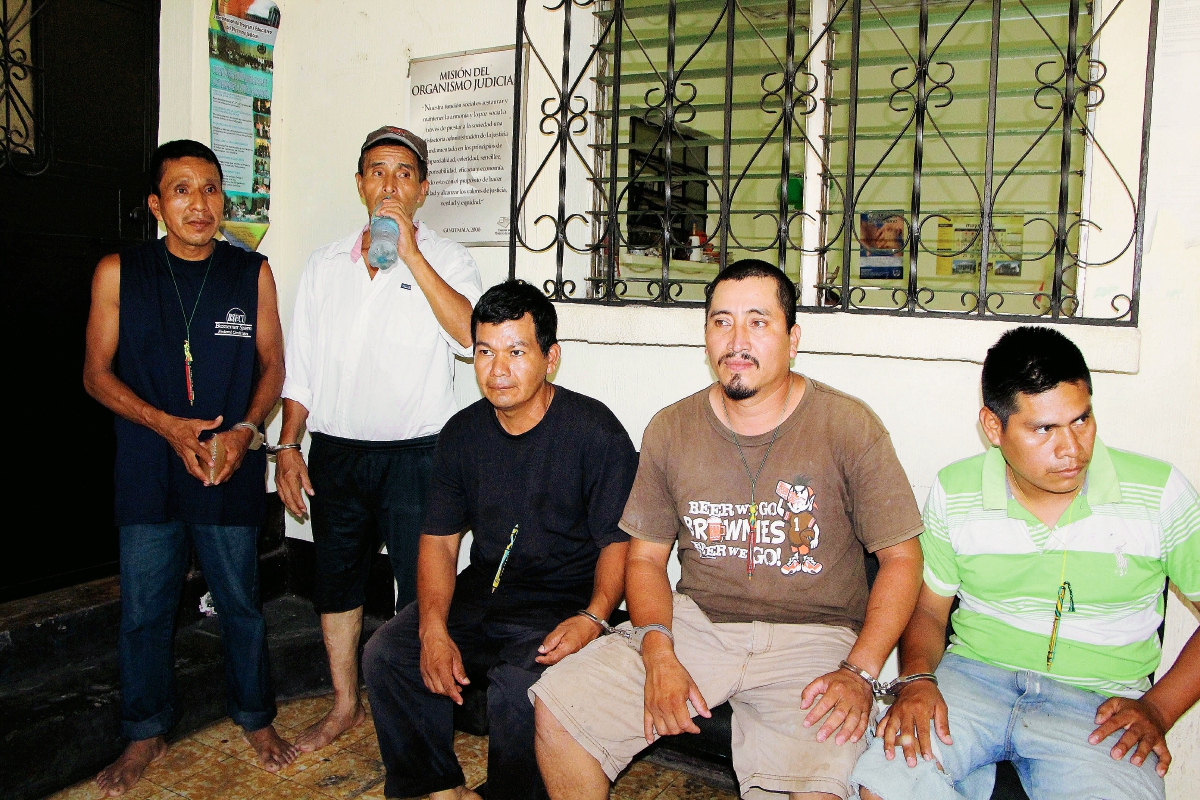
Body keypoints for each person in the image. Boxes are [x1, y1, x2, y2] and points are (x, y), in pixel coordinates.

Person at [532, 260, 926, 800]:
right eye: (721, 322)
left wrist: (860, 671)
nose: (737, 340)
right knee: (559, 709)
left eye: (758, 322)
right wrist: (657, 649)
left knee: (817, 791)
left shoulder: (848, 425)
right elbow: (645, 560)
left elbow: (902, 559)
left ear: (793, 338)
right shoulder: (672, 427)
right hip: (698, 625)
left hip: (814, 641)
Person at [851, 326, 1200, 800]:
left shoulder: (1159, 494)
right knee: (882, 786)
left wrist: (1159, 708)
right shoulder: (956, 490)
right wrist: (917, 678)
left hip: (1097, 704)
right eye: (1043, 429)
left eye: (1081, 420)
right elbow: (930, 610)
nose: (1072, 449)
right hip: (972, 683)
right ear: (994, 428)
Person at [362, 280, 639, 800]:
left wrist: (595, 618)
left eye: (516, 352)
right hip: (484, 592)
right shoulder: (462, 434)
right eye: (485, 353)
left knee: (521, 689)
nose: (498, 369)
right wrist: (432, 627)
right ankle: (433, 787)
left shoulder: (594, 432)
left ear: (550, 358)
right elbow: (440, 542)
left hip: (564, 602)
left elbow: (618, 544)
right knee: (388, 653)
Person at [83, 139, 293, 796]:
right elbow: (95, 375)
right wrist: (168, 427)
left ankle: (255, 717)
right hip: (149, 462)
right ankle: (145, 731)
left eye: (209, 189)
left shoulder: (249, 272)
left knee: (240, 601)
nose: (198, 204)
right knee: (145, 607)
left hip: (228, 464)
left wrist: (246, 431)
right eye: (181, 189)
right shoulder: (120, 271)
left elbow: (273, 365)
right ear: (156, 204)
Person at [275, 126, 482, 752]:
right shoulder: (324, 264)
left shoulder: (448, 259)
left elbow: (473, 340)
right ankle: (345, 704)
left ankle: (415, 717)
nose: (388, 184)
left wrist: (413, 256)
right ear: (360, 182)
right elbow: (302, 369)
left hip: (419, 455)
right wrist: (287, 446)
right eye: (376, 171)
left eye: (402, 173)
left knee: (420, 590)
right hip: (335, 452)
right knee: (336, 581)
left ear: (422, 189)